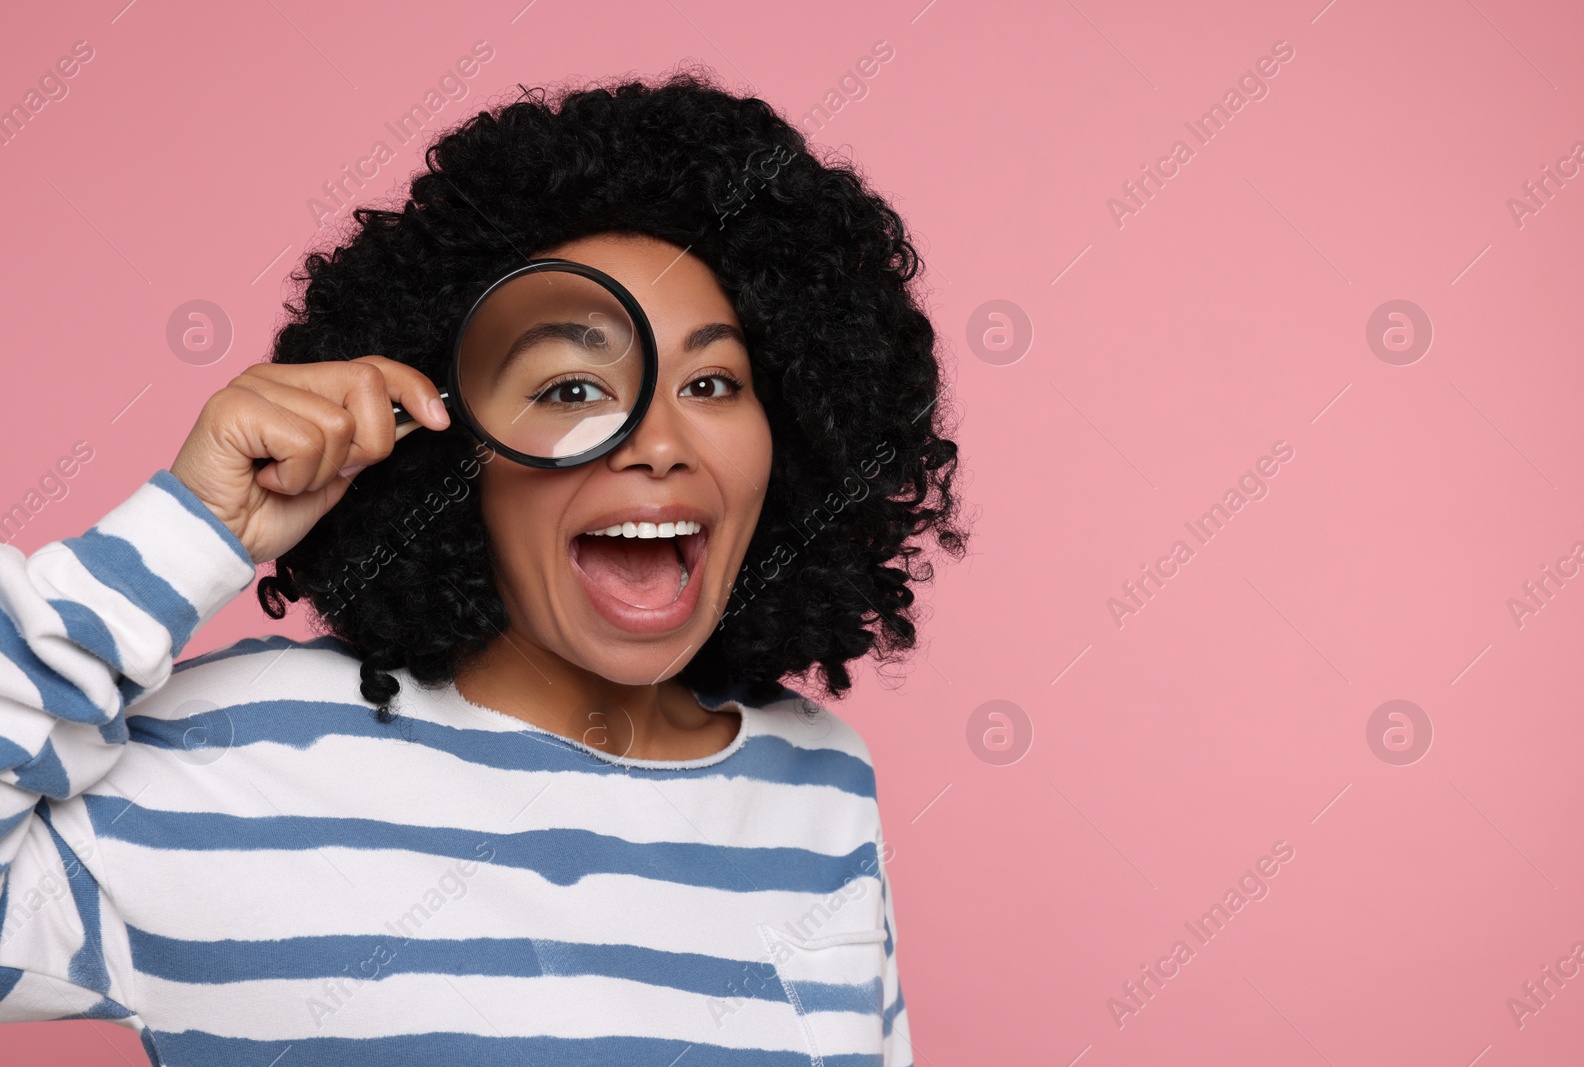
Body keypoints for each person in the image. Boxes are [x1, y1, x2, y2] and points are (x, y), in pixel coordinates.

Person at [0, 67, 966, 1065]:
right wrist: (191, 526)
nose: (661, 442)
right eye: (573, 385)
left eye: (713, 380)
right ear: (454, 445)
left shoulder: (820, 782)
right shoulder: (232, 756)